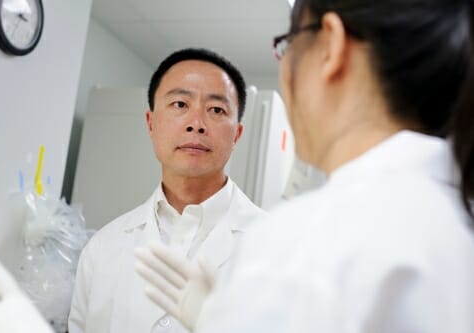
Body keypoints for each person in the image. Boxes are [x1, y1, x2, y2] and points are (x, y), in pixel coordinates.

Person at [138, 0, 474, 332]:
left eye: (286, 47)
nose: (196, 124)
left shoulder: (301, 242)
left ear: (331, 45)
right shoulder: (457, 223)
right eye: (180, 104)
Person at [67, 48, 265, 333]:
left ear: (237, 134)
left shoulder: (280, 249)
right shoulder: (102, 249)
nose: (196, 124)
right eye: (180, 104)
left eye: (217, 110)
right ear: (151, 123)